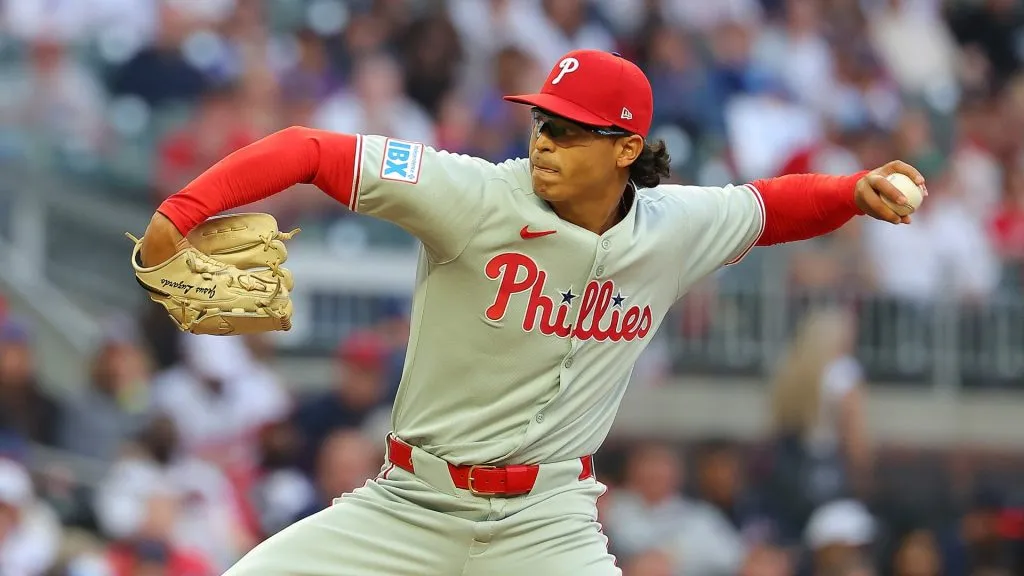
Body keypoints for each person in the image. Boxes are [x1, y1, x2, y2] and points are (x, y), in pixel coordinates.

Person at [134, 49, 926, 575]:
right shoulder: (472, 194)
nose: (544, 141)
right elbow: (310, 148)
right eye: (542, 120)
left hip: (547, 524)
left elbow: (767, 206)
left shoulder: (673, 227)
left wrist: (852, 194)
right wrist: (184, 210)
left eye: (570, 130)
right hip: (411, 504)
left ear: (624, 148)